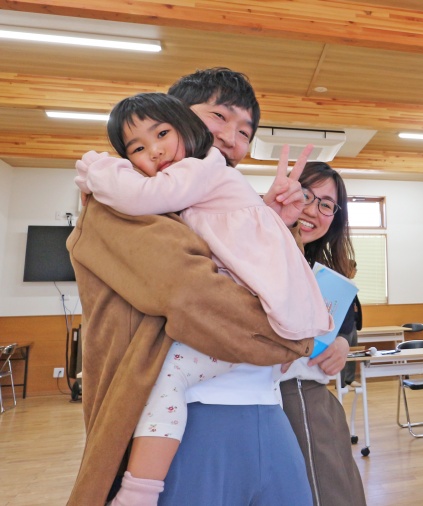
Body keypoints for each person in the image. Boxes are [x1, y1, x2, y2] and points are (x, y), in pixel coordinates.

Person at [66, 68, 319, 505]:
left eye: (246, 131)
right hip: (190, 419)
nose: (231, 138)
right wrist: (291, 339)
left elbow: (256, 284)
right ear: (175, 115)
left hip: (267, 408)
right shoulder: (120, 204)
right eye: (218, 116)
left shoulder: (209, 198)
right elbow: (190, 295)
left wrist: (273, 226)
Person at [279, 161, 367, 506]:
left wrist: (343, 342)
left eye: (326, 204)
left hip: (311, 394)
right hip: (273, 398)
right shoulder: (253, 252)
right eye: (305, 195)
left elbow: (347, 322)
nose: (312, 210)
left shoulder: (324, 269)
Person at [341, 261, 363, 388]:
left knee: (353, 351)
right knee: (343, 352)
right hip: (345, 324)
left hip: (353, 323)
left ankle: (350, 379)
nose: (355, 272)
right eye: (354, 269)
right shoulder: (342, 284)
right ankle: (341, 382)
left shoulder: (351, 284)